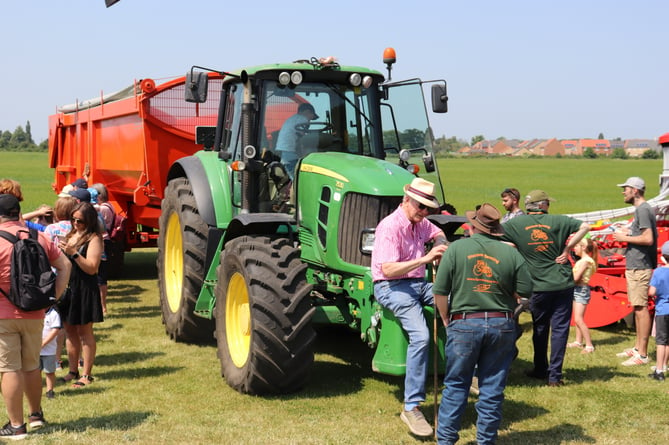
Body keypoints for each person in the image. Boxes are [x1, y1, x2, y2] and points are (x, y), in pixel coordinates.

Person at [434, 203, 532, 445]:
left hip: (464, 323)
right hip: (501, 324)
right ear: (495, 229)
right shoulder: (511, 253)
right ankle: (486, 441)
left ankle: (445, 441)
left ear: (472, 226)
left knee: (456, 385)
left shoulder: (456, 249)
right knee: (491, 388)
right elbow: (526, 292)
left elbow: (440, 291)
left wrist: (446, 319)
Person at [371, 177, 448, 437]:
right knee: (422, 336)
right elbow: (387, 269)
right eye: (420, 206)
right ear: (406, 200)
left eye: (428, 208)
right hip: (391, 287)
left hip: (417, 284)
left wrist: (439, 245)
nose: (424, 212)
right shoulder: (389, 227)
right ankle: (412, 406)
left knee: (461, 304)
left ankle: (465, 373)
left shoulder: (421, 221)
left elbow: (438, 233)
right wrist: (426, 258)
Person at [501, 190, 590, 386]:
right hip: (562, 283)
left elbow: (495, 235)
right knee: (560, 329)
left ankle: (541, 369)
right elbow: (585, 226)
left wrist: (516, 250)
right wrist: (567, 249)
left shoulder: (515, 224)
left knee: (540, 327)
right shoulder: (559, 220)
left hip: (537, 286)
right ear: (543, 206)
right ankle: (555, 376)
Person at [0, 194, 71, 439]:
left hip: (3, 315)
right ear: (18, 212)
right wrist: (53, 299)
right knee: (31, 365)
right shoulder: (38, 236)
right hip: (35, 312)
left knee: (9, 368)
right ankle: (35, 415)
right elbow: (65, 266)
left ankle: (16, 425)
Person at [58, 202, 104, 388]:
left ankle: (86, 374)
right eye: (73, 219)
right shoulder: (71, 235)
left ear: (89, 221)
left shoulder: (94, 239)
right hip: (69, 289)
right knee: (69, 331)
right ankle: (72, 370)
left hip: (85, 289)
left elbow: (92, 268)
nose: (76, 223)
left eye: (80, 221)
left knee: (85, 332)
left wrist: (74, 253)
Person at [613, 176, 657, 366]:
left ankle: (643, 355)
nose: (623, 191)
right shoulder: (642, 210)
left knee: (641, 308)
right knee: (637, 307)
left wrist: (624, 237)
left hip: (640, 265)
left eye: (626, 188)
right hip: (636, 264)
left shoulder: (643, 210)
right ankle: (638, 348)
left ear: (636, 191)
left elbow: (648, 239)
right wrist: (630, 232)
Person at [566, 238, 598, 353]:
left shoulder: (585, 261)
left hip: (581, 290)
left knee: (579, 319)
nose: (574, 248)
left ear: (583, 247)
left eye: (576, 246)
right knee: (577, 318)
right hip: (578, 289)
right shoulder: (583, 261)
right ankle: (578, 342)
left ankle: (589, 345)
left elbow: (576, 278)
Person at [274, 103, 318, 177]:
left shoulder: (292, 119)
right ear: (307, 112)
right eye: (311, 117)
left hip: (283, 152)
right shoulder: (302, 119)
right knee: (297, 179)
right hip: (289, 153)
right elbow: (303, 138)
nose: (310, 121)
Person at [91, 183, 113, 314]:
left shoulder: (101, 209)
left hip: (102, 242)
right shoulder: (108, 206)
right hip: (105, 240)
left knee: (100, 277)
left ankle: (102, 306)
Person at [648, 241, 669, 381]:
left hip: (663, 310)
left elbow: (652, 292)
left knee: (661, 341)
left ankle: (659, 370)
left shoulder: (659, 272)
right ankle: (666, 366)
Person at [40, 306, 62, 399]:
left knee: (49, 372)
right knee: (35, 372)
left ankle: (50, 390)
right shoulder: (34, 313)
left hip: (49, 351)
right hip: (34, 350)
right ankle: (36, 390)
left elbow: (55, 331)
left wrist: (43, 343)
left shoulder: (53, 314)